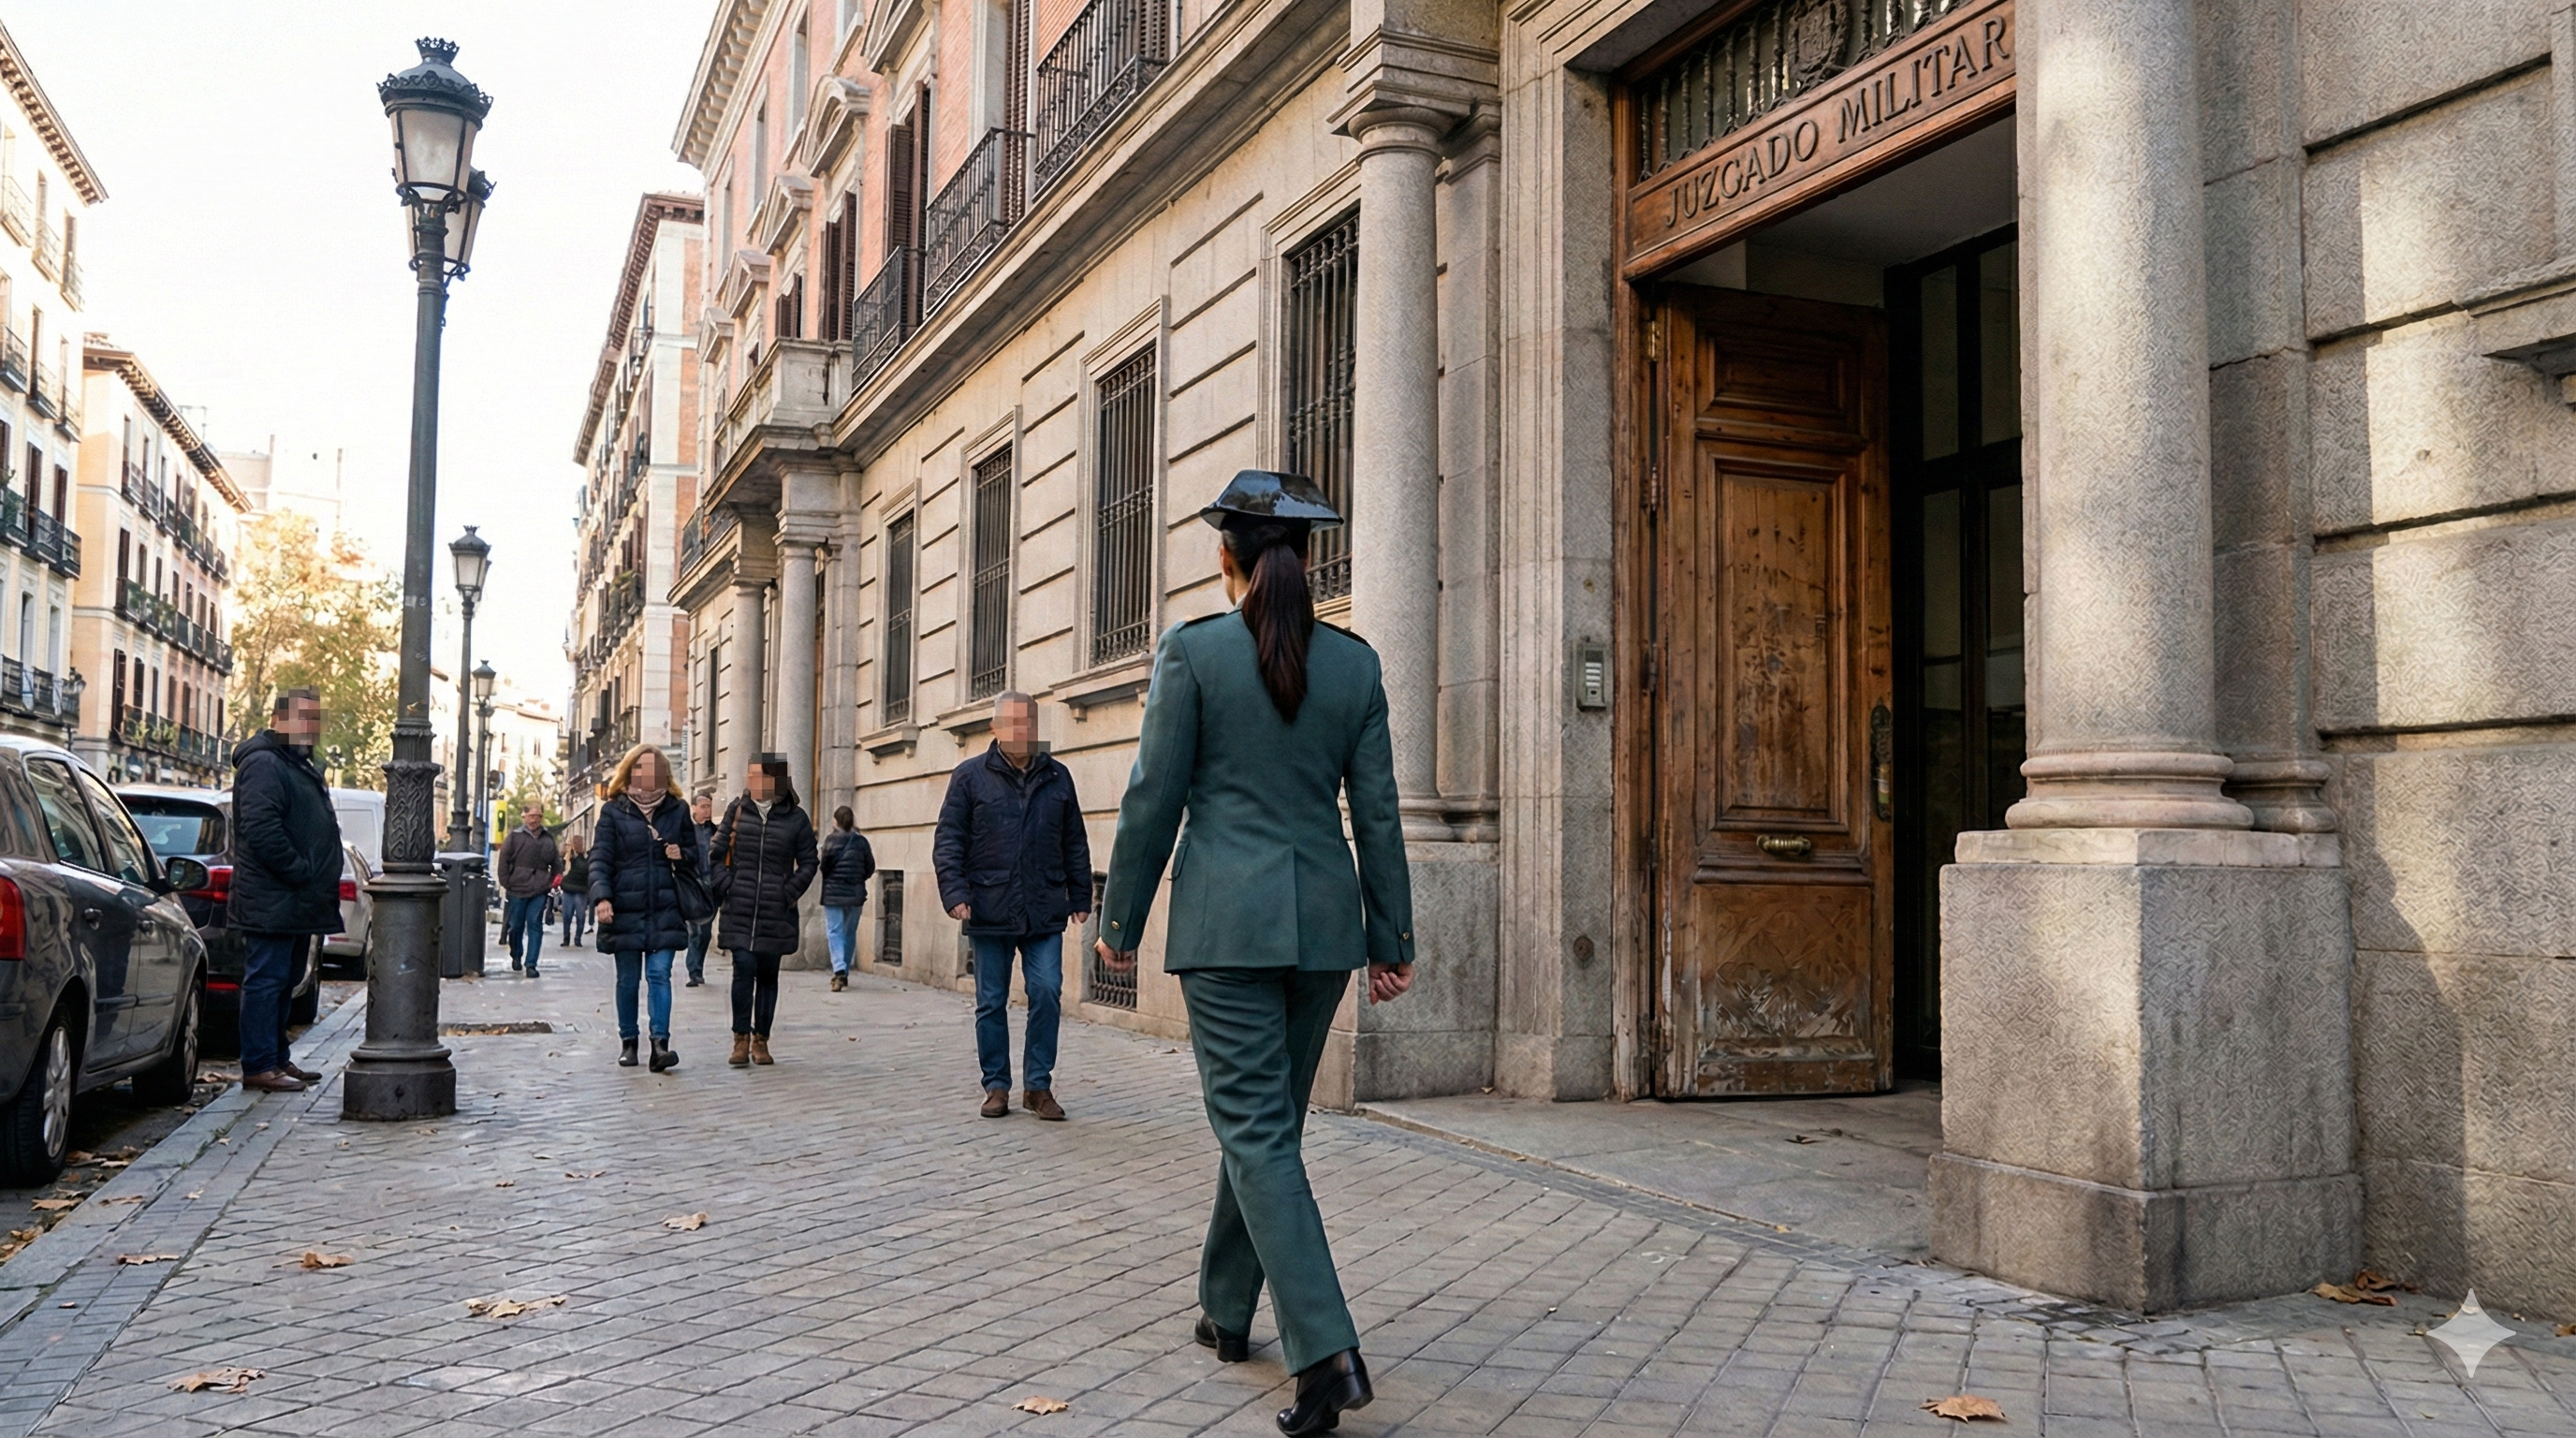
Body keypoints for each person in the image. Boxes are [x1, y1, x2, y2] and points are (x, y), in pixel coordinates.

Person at [1096, 471, 1413, 1436]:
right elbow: (1379, 812)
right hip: (1322, 927)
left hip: (1227, 928)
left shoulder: (1193, 653)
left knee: (1257, 1131)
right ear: (1306, 561)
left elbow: (1153, 795)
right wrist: (1392, 935)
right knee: (1268, 1126)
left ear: (1224, 558)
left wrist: (1120, 920)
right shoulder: (1354, 666)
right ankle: (1227, 1309)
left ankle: (1326, 1355)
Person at [934, 691, 1091, 1122]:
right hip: (989, 905)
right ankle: (996, 1085)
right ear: (996, 727)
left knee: (1047, 991)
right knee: (991, 1001)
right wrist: (955, 892)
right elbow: (949, 839)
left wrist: (1081, 894)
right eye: (1015, 723)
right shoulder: (969, 776)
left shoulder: (1058, 776)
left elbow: (1074, 840)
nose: (1023, 731)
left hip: (1044, 905)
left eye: (1030, 723)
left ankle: (1038, 1086)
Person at [227, 688, 344, 1094]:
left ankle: (276, 1059)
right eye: (302, 719)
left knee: (286, 980)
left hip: (293, 900)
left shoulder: (293, 763)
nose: (309, 727)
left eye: (314, 719)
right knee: (267, 980)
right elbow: (261, 828)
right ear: (279, 720)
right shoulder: (264, 763)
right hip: (273, 897)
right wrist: (299, 870)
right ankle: (259, 1064)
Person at [589, 745, 701, 1073]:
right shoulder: (613, 811)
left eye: (654, 768)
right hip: (624, 907)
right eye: (641, 768)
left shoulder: (677, 809)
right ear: (631, 772)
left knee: (659, 974)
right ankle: (628, 1041)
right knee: (627, 979)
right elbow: (600, 858)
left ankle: (660, 1044)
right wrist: (602, 898)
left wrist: (681, 854)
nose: (648, 774)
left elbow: (695, 855)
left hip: (665, 907)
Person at [711, 756, 817, 1066]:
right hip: (740, 905)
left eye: (758, 775)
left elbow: (809, 862)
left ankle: (761, 1039)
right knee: (743, 969)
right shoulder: (737, 810)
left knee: (768, 975)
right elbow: (715, 854)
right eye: (750, 775)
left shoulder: (796, 818)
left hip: (776, 909)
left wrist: (788, 892)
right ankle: (740, 1038)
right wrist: (726, 885)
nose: (751, 781)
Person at [495, 806, 560, 976]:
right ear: (524, 817)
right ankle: (516, 954)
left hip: (540, 889)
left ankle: (531, 964)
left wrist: (553, 881)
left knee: (535, 923)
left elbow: (556, 863)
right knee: (516, 925)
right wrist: (507, 883)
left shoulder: (548, 838)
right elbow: (503, 861)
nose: (534, 819)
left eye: (537, 816)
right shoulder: (514, 837)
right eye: (531, 816)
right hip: (517, 888)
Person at [819, 806, 875, 990]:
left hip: (833, 894)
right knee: (849, 932)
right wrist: (857, 879)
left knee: (834, 931)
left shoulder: (830, 841)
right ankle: (845, 971)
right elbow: (870, 867)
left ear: (835, 822)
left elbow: (824, 867)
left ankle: (839, 969)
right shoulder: (861, 842)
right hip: (855, 894)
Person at [684, 792, 718, 987]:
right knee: (694, 930)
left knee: (705, 932)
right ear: (694, 808)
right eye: (703, 807)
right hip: (693, 885)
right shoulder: (687, 831)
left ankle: (699, 967)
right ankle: (694, 972)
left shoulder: (715, 830)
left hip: (711, 885)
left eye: (709, 806)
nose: (707, 810)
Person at [559, 832, 591, 946]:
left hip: (580, 891)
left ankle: (576, 939)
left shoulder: (585, 858)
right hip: (569, 890)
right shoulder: (569, 857)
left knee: (579, 916)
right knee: (568, 916)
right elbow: (561, 867)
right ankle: (568, 938)